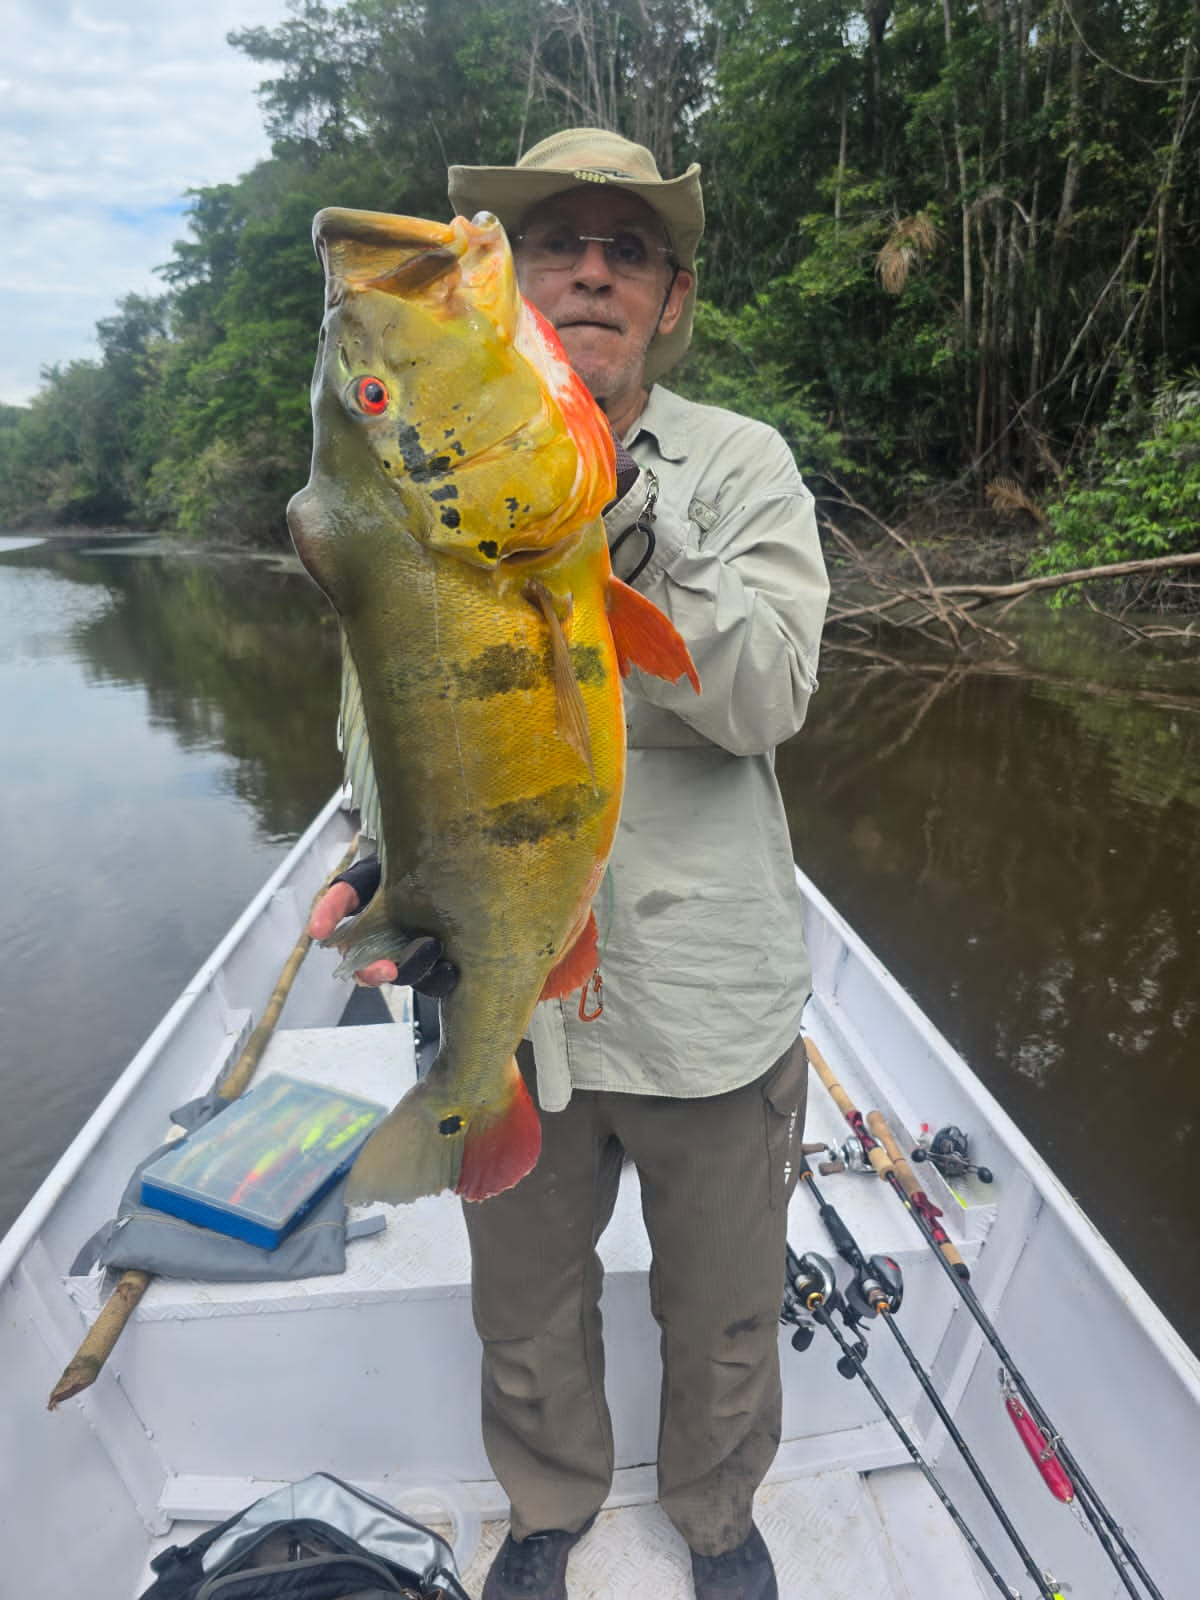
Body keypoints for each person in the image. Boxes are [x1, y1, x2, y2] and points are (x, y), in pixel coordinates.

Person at [310, 128, 830, 1600]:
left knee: (724, 1311)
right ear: (521, 285)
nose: (593, 268)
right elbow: (396, 718)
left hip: (706, 997)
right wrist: (376, 863)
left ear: (670, 298)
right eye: (558, 244)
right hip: (514, 996)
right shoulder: (424, 477)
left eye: (629, 249)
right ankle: (550, 1507)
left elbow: (770, 692)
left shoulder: (741, 467)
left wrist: (607, 528)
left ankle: (716, 1524)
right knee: (525, 1303)